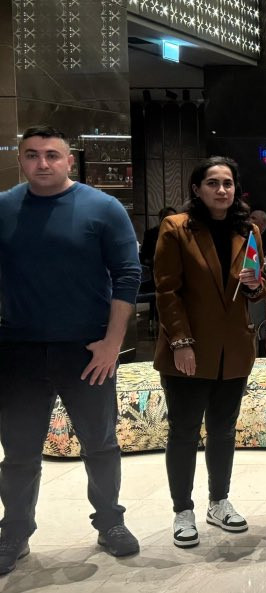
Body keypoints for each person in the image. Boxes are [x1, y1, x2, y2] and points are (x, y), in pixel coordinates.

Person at [0, 126, 142, 573]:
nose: (42, 163)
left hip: (88, 350)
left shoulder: (103, 207)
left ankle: (110, 522)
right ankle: (14, 531)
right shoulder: (4, 208)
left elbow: (128, 275)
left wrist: (112, 344)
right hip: (18, 351)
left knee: (100, 444)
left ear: (69, 160)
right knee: (19, 452)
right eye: (32, 155)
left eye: (51, 155)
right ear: (20, 160)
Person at [154, 157, 266, 547]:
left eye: (228, 183)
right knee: (184, 431)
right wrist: (180, 342)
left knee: (223, 430)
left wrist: (255, 286)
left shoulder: (248, 230)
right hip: (189, 348)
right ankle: (182, 510)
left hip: (233, 349)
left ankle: (219, 501)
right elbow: (166, 291)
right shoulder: (177, 228)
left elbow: (255, 288)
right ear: (197, 189)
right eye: (213, 183)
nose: (221, 190)